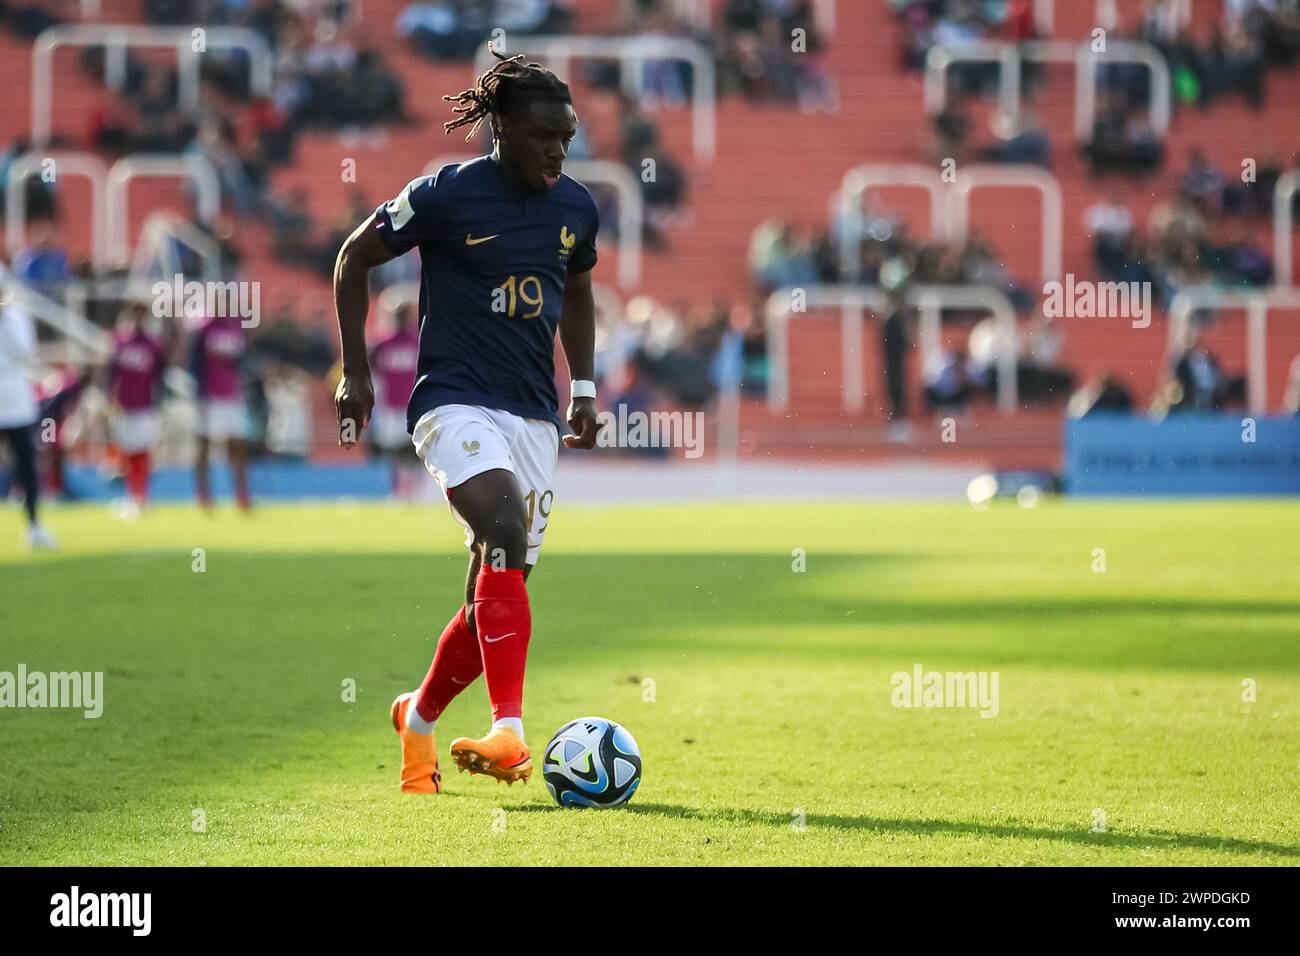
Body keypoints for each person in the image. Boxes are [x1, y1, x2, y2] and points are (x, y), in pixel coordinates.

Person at [332, 50, 601, 794]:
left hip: (535, 418)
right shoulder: (446, 195)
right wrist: (355, 371)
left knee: (495, 588)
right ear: (503, 129)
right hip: (452, 399)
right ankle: (511, 732)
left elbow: (576, 294)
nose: (558, 149)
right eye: (544, 134)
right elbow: (355, 257)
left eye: (567, 136)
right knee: (506, 530)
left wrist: (582, 386)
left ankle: (416, 720)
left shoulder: (577, 207)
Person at [0, 263, 56, 549]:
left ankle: (34, 526)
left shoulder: (16, 318)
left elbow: (26, 353)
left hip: (17, 402)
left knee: (26, 463)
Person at [106, 303, 167, 516]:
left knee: (143, 452)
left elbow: (161, 377)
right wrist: (110, 399)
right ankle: (133, 496)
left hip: (145, 406)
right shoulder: (120, 343)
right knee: (128, 453)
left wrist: (159, 403)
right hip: (124, 406)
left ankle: (142, 495)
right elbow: (111, 374)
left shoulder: (154, 346)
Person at [188, 312, 252, 511]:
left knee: (238, 447)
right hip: (210, 397)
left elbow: (241, 362)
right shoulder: (203, 330)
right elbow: (194, 363)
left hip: (232, 396)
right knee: (204, 446)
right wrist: (200, 391)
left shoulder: (235, 329)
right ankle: (204, 496)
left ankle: (242, 496)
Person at [367, 303, 421, 496]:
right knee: (393, 452)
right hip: (391, 407)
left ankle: (417, 491)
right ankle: (397, 490)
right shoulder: (380, 344)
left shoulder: (420, 341)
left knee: (418, 451)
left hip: (415, 405)